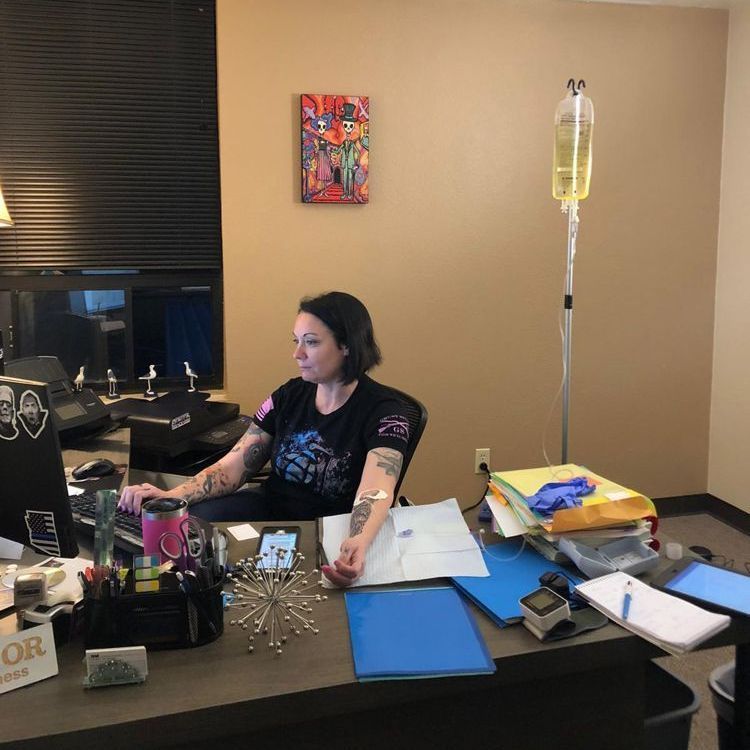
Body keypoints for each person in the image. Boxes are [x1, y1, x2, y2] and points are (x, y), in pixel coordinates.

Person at [118, 292, 412, 587]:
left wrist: (358, 542)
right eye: (296, 341)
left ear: (347, 344)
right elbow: (233, 467)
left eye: (311, 342)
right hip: (271, 508)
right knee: (188, 527)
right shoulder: (288, 395)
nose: (297, 354)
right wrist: (172, 496)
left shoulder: (386, 412)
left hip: (327, 526)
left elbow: (376, 489)